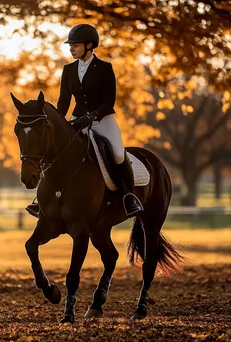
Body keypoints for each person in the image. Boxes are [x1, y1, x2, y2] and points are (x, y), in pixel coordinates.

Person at [26, 23, 143, 218]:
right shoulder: (68, 69)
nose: (71, 48)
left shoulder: (105, 68)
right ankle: (43, 200)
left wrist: (92, 116)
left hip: (102, 120)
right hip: (76, 120)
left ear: (89, 45)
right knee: (55, 151)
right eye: (70, 45)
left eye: (76, 45)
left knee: (117, 153)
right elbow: (63, 102)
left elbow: (109, 101)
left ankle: (129, 197)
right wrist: (57, 122)